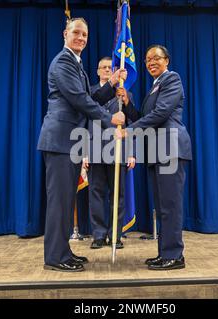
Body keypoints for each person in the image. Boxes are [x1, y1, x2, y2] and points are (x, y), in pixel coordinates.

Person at [37, 18, 126, 272]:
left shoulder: (77, 65)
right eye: (76, 32)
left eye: (85, 34)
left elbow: (89, 97)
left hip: (71, 143)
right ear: (65, 33)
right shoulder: (63, 62)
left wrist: (110, 85)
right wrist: (110, 118)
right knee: (59, 202)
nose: (81, 37)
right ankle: (55, 257)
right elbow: (79, 100)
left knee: (66, 201)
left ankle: (63, 251)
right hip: (60, 141)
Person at [117, 45, 192, 270]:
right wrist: (128, 103)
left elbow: (161, 114)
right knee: (162, 207)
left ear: (166, 60)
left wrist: (128, 131)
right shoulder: (155, 86)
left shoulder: (172, 79)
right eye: (148, 59)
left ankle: (175, 256)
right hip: (157, 152)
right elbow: (144, 116)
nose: (151, 62)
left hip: (170, 149)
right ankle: (165, 253)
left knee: (170, 205)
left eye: (156, 58)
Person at [83, 57, 136, 250]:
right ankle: (98, 235)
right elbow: (84, 124)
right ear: (97, 71)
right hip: (95, 150)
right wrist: (84, 153)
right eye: (103, 68)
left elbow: (131, 123)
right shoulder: (90, 93)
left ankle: (115, 235)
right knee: (96, 194)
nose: (106, 70)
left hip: (118, 151)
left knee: (118, 195)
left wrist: (131, 153)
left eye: (109, 67)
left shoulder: (124, 94)